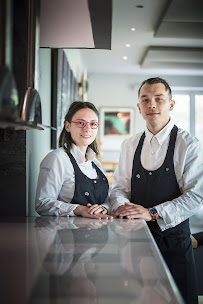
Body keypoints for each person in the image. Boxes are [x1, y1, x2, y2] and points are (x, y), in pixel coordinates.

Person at [110, 77, 203, 304]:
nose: (152, 104)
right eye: (145, 99)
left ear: (170, 105)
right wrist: (124, 207)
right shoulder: (129, 145)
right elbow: (119, 187)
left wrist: (151, 212)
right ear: (139, 107)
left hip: (175, 243)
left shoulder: (189, 144)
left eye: (158, 99)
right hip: (136, 241)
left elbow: (195, 196)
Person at [36, 101, 112, 220]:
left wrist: (104, 207)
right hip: (68, 234)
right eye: (81, 123)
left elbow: (107, 198)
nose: (87, 129)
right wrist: (79, 209)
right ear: (68, 126)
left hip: (100, 233)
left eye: (93, 124)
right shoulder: (57, 158)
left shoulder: (95, 162)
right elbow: (43, 204)